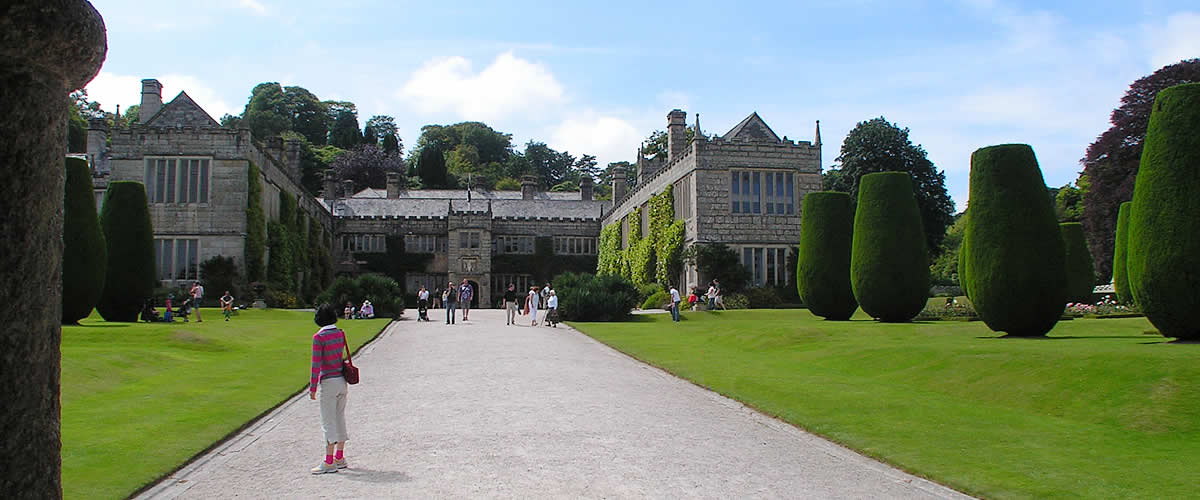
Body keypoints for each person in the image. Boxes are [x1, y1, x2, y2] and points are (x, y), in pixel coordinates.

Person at [309, 303, 350, 474]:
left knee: (328, 421)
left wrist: (312, 387)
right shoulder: (340, 334)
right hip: (342, 380)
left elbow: (316, 365)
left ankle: (328, 461)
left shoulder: (319, 337)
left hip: (329, 381)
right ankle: (340, 456)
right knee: (340, 418)